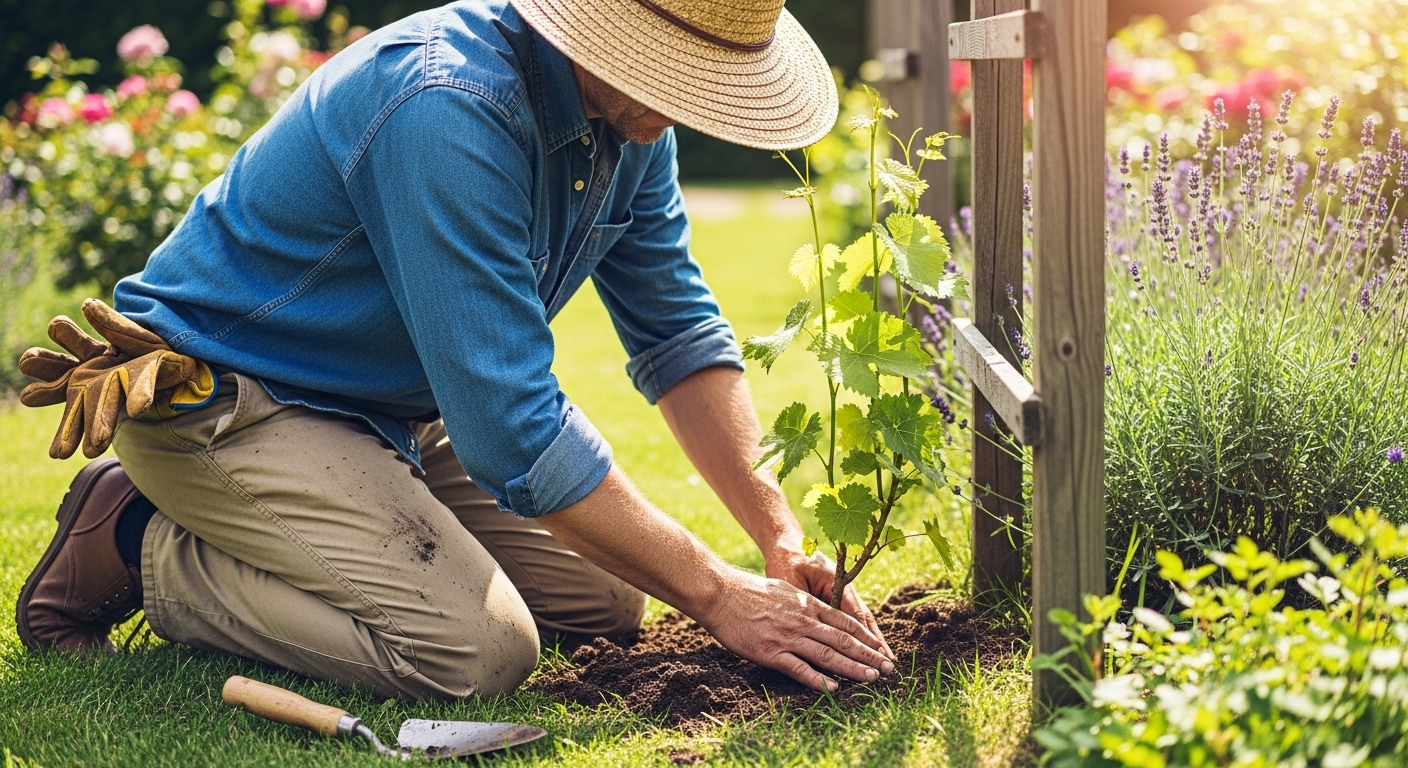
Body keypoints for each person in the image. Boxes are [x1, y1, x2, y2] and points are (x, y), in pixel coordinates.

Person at [14, 0, 896, 700]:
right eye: (679, 78)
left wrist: (776, 539)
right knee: (477, 654)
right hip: (229, 399)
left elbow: (675, 331)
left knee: (603, 602)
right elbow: (511, 429)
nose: (681, 112)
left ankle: (265, 522)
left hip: (390, 410)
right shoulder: (449, 107)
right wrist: (715, 592)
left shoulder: (631, 124)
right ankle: (140, 543)